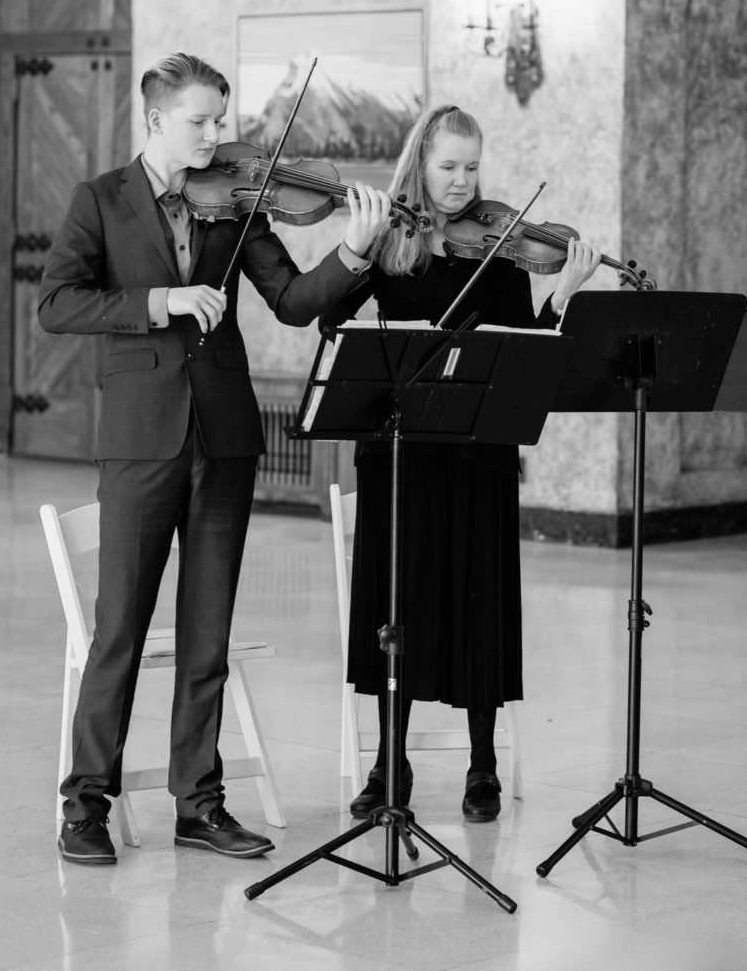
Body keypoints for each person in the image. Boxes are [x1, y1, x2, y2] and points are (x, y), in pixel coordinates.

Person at [38, 51, 390, 865]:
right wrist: (161, 300)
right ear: (157, 119)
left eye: (220, 122)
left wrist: (358, 251)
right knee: (118, 630)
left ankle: (200, 802)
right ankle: (85, 803)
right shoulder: (100, 199)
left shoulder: (235, 204)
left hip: (225, 440)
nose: (215, 137)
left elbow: (299, 303)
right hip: (140, 442)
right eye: (200, 121)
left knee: (208, 634)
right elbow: (58, 302)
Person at [321, 104, 600, 822]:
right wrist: (360, 243)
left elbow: (527, 353)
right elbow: (329, 318)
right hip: (401, 451)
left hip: (480, 453)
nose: (461, 182)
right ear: (419, 165)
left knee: (479, 605)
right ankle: (391, 762)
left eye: (472, 167)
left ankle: (484, 767)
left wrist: (563, 292)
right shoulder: (389, 242)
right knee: (399, 605)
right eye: (447, 166)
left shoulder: (503, 252)